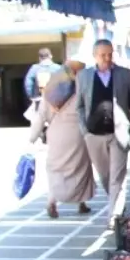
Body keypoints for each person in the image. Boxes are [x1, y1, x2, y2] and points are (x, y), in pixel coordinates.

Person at [77, 39, 130, 223]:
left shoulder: (125, 75)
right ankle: (116, 203)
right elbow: (79, 106)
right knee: (105, 176)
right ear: (94, 55)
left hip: (119, 133)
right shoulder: (83, 76)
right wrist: (84, 130)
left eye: (110, 54)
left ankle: (113, 216)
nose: (107, 58)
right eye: (103, 55)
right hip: (94, 134)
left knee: (117, 177)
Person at [30, 60, 95, 219]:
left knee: (55, 169)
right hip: (78, 135)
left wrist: (32, 137)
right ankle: (81, 203)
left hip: (56, 135)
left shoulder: (50, 90)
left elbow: (40, 116)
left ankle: (51, 201)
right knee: (80, 169)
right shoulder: (84, 88)